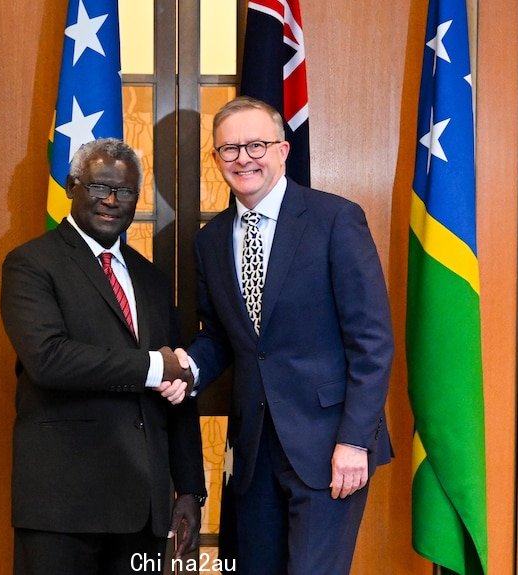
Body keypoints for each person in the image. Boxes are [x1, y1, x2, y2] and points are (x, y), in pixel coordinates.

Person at [176, 96, 394, 574]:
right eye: (229, 149)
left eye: (256, 144)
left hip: (329, 449)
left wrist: (356, 440)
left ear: (282, 150)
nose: (243, 158)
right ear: (216, 160)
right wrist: (188, 370)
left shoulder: (335, 220)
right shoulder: (210, 241)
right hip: (253, 454)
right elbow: (221, 335)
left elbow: (372, 341)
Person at [0, 138, 206, 575]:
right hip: (63, 510)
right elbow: (49, 358)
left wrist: (189, 488)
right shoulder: (31, 264)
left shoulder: (150, 278)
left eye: (126, 191)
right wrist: (154, 367)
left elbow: (179, 384)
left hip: (142, 510)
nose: (112, 201)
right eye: (98, 188)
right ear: (73, 186)